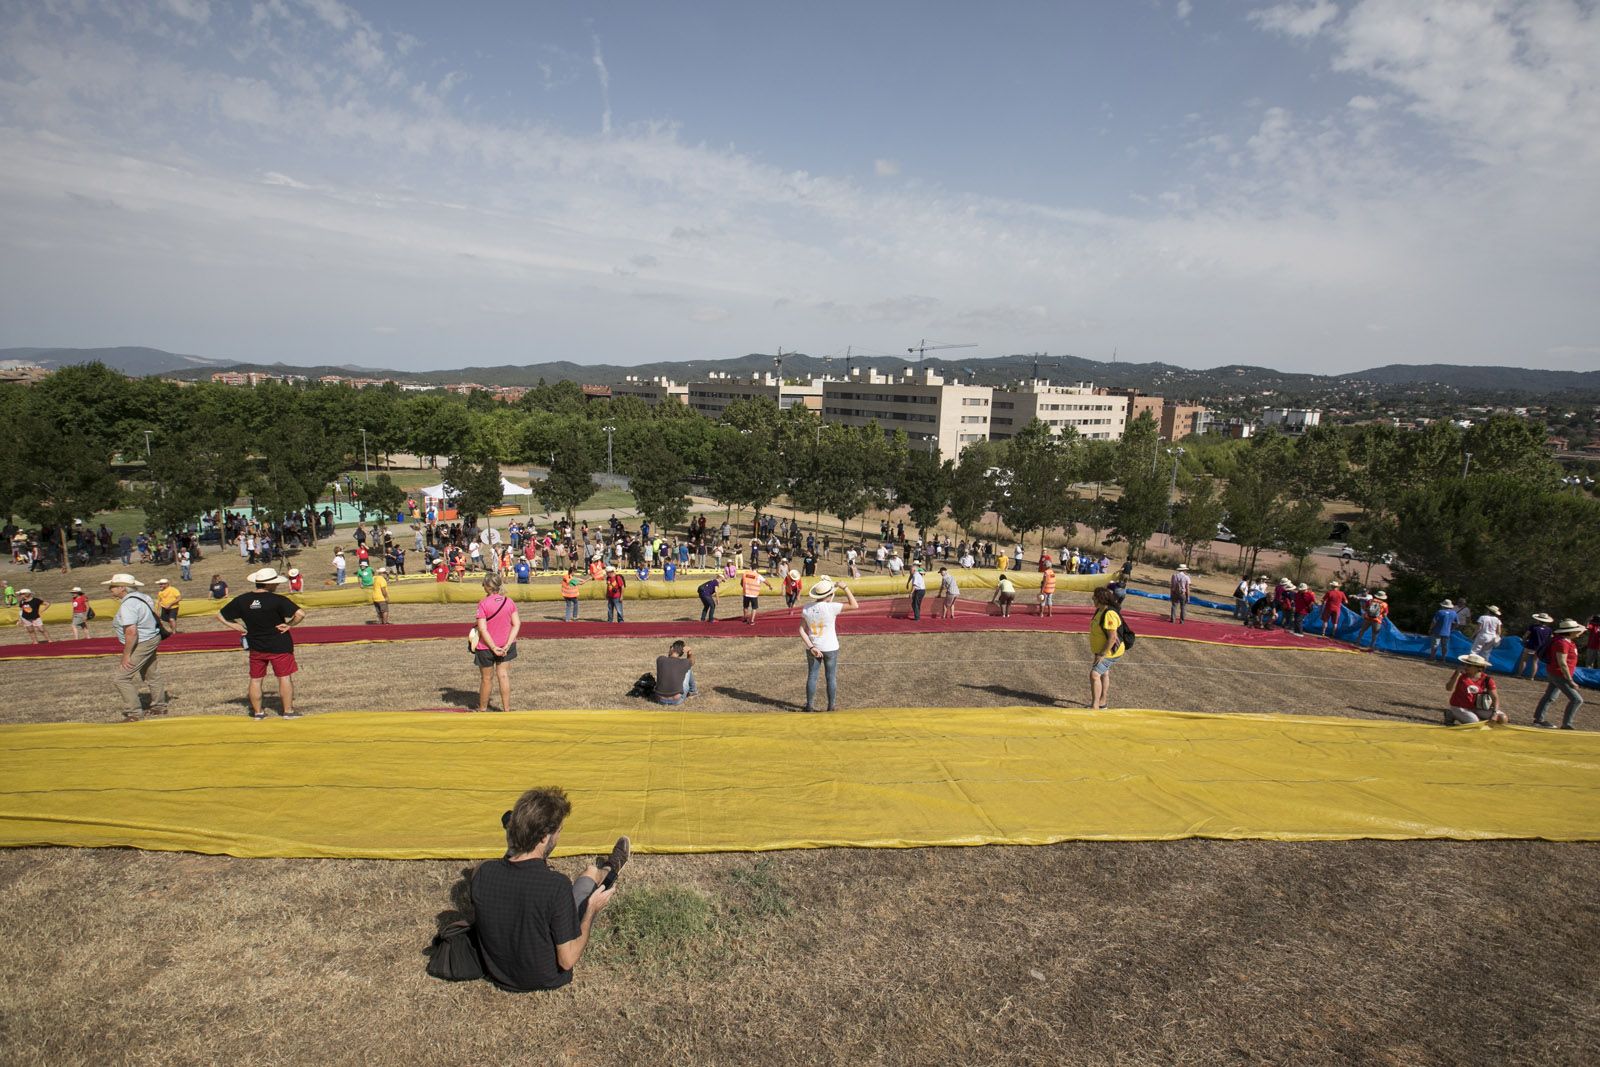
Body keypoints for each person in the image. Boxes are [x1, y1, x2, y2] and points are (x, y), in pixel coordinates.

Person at [470, 787, 627, 992]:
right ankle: (609, 870)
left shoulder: (481, 873)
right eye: (558, 831)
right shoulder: (555, 886)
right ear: (544, 837)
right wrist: (591, 910)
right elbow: (567, 960)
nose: (558, 837)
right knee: (589, 875)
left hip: (497, 973)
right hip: (545, 977)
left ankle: (604, 871)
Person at [218, 568, 306, 719]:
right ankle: (288, 711)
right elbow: (300, 614)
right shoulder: (278, 600)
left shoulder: (242, 599)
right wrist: (290, 624)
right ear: (270, 584)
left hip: (256, 645)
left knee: (256, 679)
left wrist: (237, 627)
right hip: (279, 644)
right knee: (284, 677)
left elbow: (220, 615)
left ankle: (258, 712)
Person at [105, 573, 169, 722]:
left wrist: (126, 654)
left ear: (122, 588)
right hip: (151, 637)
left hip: (142, 642)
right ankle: (159, 706)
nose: (110, 589)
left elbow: (131, 632)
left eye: (113, 586)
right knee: (151, 673)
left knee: (121, 678)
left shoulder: (128, 604)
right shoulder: (143, 597)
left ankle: (134, 712)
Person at [800, 577, 857, 713]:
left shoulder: (807, 608)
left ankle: (809, 706)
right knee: (830, 677)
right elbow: (855, 605)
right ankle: (831, 706)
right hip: (831, 648)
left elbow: (801, 630)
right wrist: (845, 587)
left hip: (813, 647)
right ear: (829, 595)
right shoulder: (832, 607)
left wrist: (811, 647)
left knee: (812, 676)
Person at [473, 573, 521, 713]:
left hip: (486, 647)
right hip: (506, 645)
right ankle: (506, 709)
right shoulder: (509, 602)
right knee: (503, 674)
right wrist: (507, 644)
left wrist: (493, 647)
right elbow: (516, 624)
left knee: (487, 678)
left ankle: (482, 709)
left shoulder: (483, 603)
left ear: (487, 587)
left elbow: (482, 628)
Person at [1532, 619, 1585, 730]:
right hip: (1559, 674)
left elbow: (1581, 631)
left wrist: (1583, 628)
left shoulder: (1567, 641)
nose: (1578, 632)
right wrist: (1570, 680)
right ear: (1570, 632)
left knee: (1550, 696)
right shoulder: (1562, 643)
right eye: (1576, 630)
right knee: (1576, 700)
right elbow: (1562, 663)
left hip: (1556, 673)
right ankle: (1567, 724)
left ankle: (1538, 719)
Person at [1088, 585, 1126, 710]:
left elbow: (1112, 638)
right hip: (1101, 650)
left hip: (1110, 652)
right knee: (1104, 673)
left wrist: (1102, 654)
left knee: (1094, 675)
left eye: (1094, 597)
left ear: (1100, 599)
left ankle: (1095, 707)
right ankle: (1102, 702)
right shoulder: (1100, 610)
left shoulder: (1109, 614)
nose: (1092, 599)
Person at [1444, 653, 1504, 725]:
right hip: (1459, 706)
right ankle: (1451, 713)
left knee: (1502, 718)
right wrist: (1457, 674)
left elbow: (1495, 698)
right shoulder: (1460, 675)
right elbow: (1448, 688)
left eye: (1469, 665)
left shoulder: (1487, 679)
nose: (1465, 667)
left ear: (1479, 668)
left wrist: (1495, 713)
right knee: (1474, 723)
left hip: (1477, 708)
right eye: (1464, 664)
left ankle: (1475, 719)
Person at [653, 640, 697, 706]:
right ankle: (693, 691)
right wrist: (689, 652)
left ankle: (693, 691)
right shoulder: (684, 663)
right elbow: (692, 661)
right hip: (676, 700)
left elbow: (669, 662)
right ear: (681, 653)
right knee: (689, 667)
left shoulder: (660, 659)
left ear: (672, 648)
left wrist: (671, 650)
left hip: (660, 700)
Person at [1516, 613, 1554, 679]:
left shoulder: (1533, 627)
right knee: (1535, 662)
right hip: (1540, 648)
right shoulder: (1549, 629)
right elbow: (1551, 638)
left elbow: (1526, 635)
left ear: (1538, 620)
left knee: (1524, 660)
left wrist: (1523, 641)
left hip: (1530, 646)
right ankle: (1532, 677)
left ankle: (1519, 674)